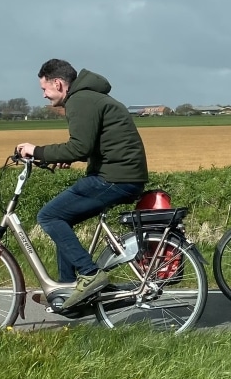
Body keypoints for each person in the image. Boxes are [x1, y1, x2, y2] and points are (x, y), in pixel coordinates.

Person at [15, 59, 149, 309]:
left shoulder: (80, 100)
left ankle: (89, 274)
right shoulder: (89, 97)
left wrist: (37, 151)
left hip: (115, 178)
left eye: (44, 89)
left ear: (58, 83)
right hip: (122, 174)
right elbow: (94, 144)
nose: (44, 95)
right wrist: (75, 156)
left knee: (49, 216)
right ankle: (68, 293)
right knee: (61, 219)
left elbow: (80, 145)